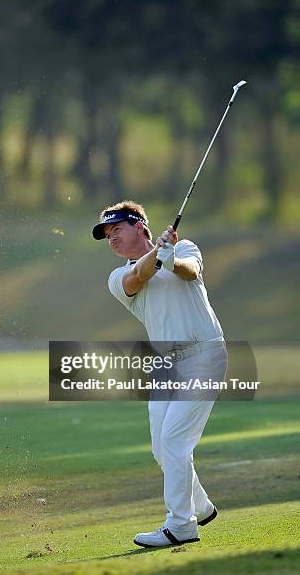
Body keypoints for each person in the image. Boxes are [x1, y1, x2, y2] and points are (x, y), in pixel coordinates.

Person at [92, 200, 228, 548]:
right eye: (107, 235)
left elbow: (189, 271)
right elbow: (139, 276)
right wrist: (158, 254)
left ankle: (181, 524)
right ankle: (200, 505)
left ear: (140, 226)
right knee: (161, 447)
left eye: (116, 230)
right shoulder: (117, 277)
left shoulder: (184, 248)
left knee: (175, 441)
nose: (111, 239)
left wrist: (169, 255)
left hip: (204, 355)